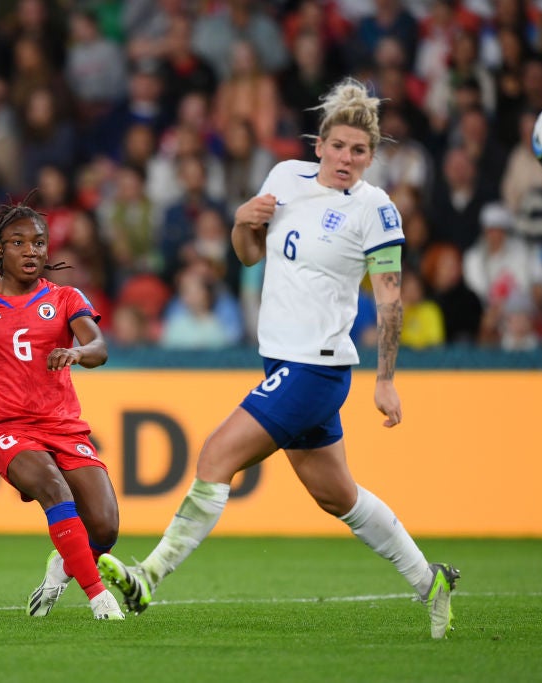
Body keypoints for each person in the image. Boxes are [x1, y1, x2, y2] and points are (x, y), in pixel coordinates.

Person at [96, 78, 460, 639]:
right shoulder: (284, 178)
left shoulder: (376, 210)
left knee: (217, 457)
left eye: (359, 151)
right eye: (338, 146)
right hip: (279, 360)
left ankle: (148, 576)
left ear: (371, 156)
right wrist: (243, 221)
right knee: (336, 495)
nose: (346, 158)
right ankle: (428, 579)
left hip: (316, 367)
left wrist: (386, 380)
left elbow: (390, 300)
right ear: (319, 144)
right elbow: (248, 257)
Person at [0, 200, 125, 621]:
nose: (31, 251)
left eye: (38, 242)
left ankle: (62, 565)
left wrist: (75, 351)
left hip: (66, 428)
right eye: (18, 243)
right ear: (0, 250)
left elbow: (99, 348)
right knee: (54, 489)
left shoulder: (66, 298)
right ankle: (98, 598)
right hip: (11, 431)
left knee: (105, 528)